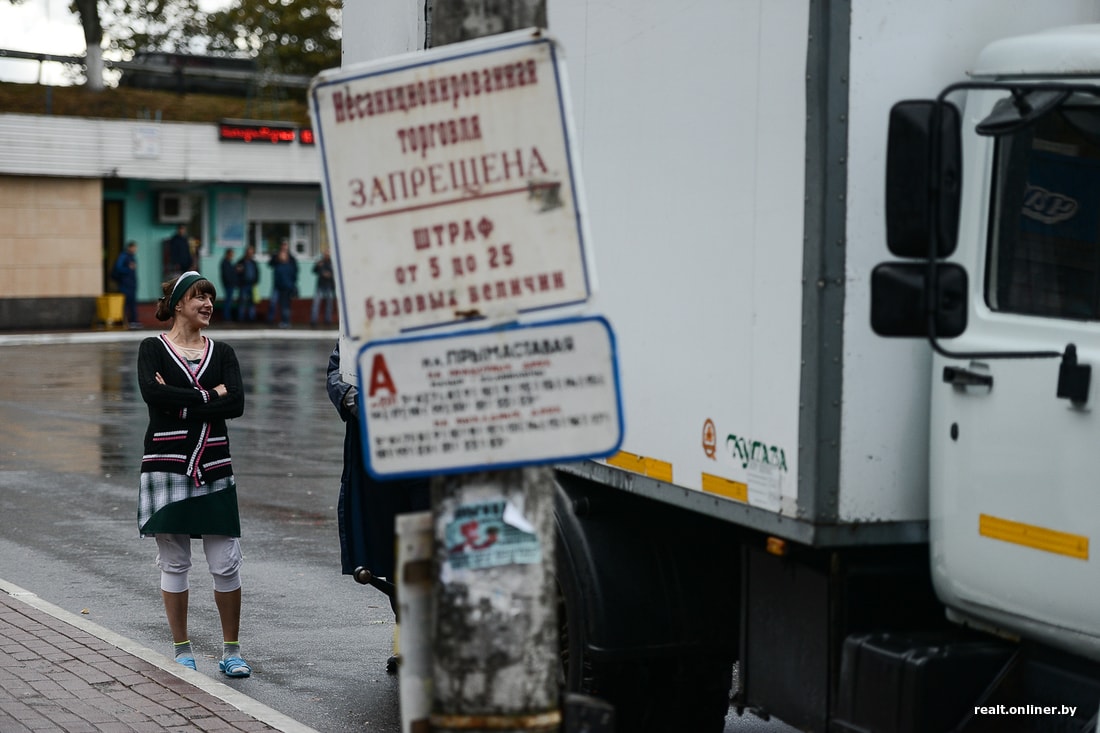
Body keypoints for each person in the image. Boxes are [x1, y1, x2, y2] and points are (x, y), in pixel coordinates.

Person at [137, 270, 251, 678]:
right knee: (174, 562)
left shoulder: (223, 353)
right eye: (200, 297)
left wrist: (181, 402)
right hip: (165, 465)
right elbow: (153, 395)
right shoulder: (152, 348)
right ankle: (182, 649)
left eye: (210, 298)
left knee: (226, 563)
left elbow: (236, 403)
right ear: (179, 303)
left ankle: (231, 651)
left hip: (214, 465)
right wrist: (209, 395)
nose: (208, 304)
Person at [326, 341, 430, 672]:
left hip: (433, 454)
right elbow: (338, 371)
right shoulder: (360, 326)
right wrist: (357, 399)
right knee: (393, 549)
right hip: (379, 457)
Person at [268, 239, 298, 328]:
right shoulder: (277, 261)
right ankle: (271, 320)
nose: (284, 247)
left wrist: (292, 286)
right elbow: (270, 264)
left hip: (286, 288)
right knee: (274, 303)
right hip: (278, 286)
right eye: (283, 245)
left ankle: (286, 322)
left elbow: (294, 274)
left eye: (285, 245)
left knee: (285, 305)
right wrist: (276, 258)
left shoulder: (291, 261)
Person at [112, 240, 140, 328]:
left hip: (131, 284)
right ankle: (124, 321)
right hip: (125, 284)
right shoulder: (124, 256)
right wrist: (128, 269)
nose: (135, 249)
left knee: (132, 303)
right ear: (129, 247)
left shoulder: (132, 257)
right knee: (126, 303)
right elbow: (118, 268)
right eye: (134, 247)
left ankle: (133, 321)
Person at [310, 251, 336, 326]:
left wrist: (329, 274)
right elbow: (314, 271)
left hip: (329, 285)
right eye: (325, 254)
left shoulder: (332, 263)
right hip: (320, 285)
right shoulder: (320, 262)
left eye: (328, 254)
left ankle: (328, 320)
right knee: (316, 303)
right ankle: (313, 321)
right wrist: (317, 266)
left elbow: (335, 273)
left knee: (329, 304)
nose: (326, 255)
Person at [235, 246, 259, 322]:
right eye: (249, 252)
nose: (250, 254)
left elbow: (257, 272)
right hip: (243, 285)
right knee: (242, 301)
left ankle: (252, 318)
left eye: (251, 253)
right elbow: (237, 273)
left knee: (252, 302)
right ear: (246, 253)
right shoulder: (241, 262)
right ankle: (241, 318)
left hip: (252, 285)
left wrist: (256, 281)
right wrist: (239, 283)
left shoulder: (253, 262)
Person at [219, 248, 237, 322]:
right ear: (228, 254)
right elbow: (227, 275)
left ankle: (227, 316)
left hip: (229, 284)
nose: (232, 256)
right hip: (229, 284)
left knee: (228, 300)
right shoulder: (225, 263)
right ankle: (227, 317)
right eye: (231, 254)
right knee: (228, 301)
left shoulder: (227, 262)